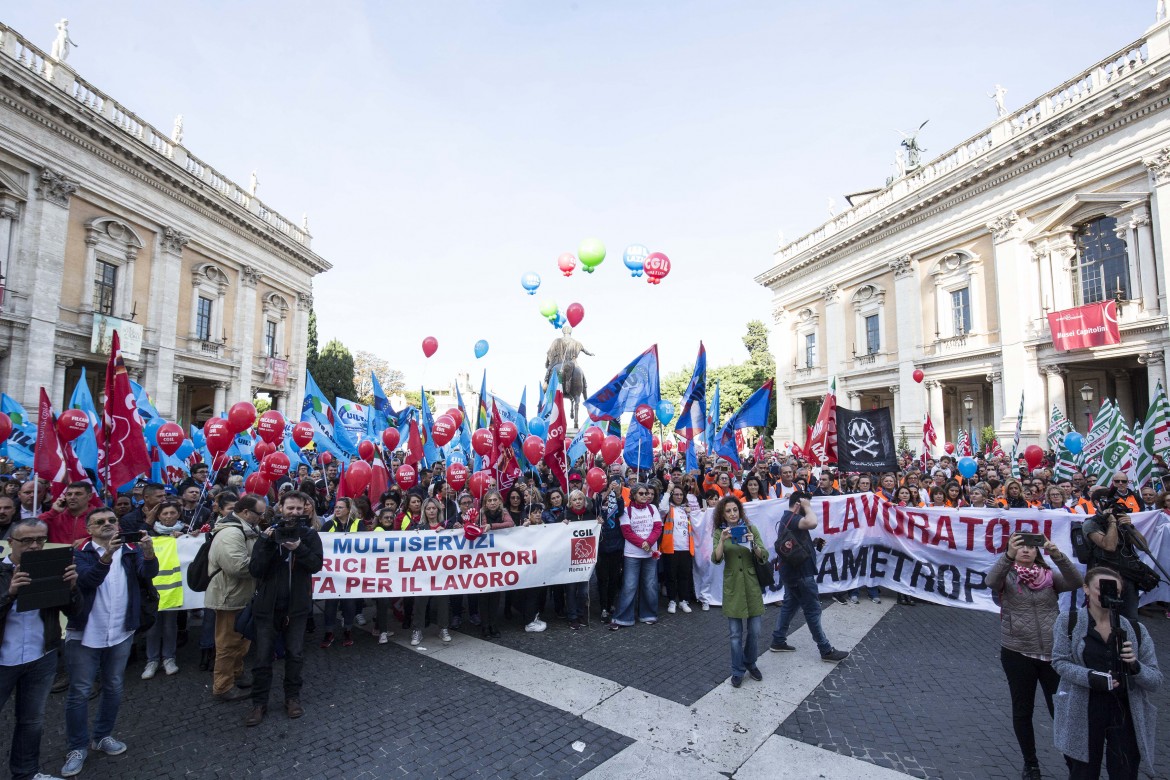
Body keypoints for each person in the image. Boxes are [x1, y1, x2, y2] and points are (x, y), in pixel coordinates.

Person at [61, 507, 157, 778]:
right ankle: (77, 746)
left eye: (112, 521)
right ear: (88, 529)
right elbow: (87, 581)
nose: (108, 525)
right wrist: (107, 555)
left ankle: (102, 735)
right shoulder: (79, 554)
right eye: (100, 522)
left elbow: (148, 573)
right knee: (79, 691)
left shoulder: (130, 550)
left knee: (113, 686)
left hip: (120, 632)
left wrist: (148, 551)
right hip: (85, 634)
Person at [986, 533, 1083, 780]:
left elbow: (1076, 581)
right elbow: (990, 580)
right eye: (1021, 547)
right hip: (1017, 652)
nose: (1026, 550)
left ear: (1038, 552)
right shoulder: (1007, 576)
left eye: (1031, 547)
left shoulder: (1050, 577)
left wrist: (1058, 556)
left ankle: (1072, 761)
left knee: (1059, 711)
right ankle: (1031, 763)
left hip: (1052, 654)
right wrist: (1007, 555)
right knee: (1022, 710)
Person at [1053, 568, 1162, 779]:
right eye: (1101, 588)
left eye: (1115, 591)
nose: (1108, 594)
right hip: (1083, 708)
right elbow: (1060, 661)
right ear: (1085, 588)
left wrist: (1136, 667)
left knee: (1125, 772)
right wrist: (1091, 677)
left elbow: (1156, 680)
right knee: (1083, 773)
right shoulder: (1068, 622)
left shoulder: (1136, 630)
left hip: (1124, 711)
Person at [0, 519, 80, 780]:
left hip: (40, 656)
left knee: (31, 721)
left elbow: (76, 614)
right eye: (26, 541)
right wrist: (10, 593)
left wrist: (71, 590)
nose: (35, 546)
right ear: (10, 542)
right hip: (3, 661)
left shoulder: (52, 568)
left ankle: (25, 773)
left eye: (40, 540)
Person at [245, 491, 323, 727]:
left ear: (305, 510)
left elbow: (316, 565)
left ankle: (292, 698)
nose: (295, 513)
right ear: (280, 507)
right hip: (268, 608)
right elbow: (256, 570)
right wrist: (269, 544)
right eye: (290, 508)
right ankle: (259, 703)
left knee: (295, 655)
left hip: (296, 607)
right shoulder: (267, 536)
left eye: (299, 509)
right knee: (262, 658)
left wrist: (298, 547)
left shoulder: (309, 536)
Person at [769, 494, 849, 662]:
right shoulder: (793, 517)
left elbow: (794, 542)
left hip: (793, 573)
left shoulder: (788, 518)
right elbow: (812, 522)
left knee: (790, 605)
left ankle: (778, 640)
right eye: (806, 502)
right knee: (812, 610)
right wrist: (807, 507)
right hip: (800, 574)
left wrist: (812, 544)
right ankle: (825, 649)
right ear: (799, 503)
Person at [206, 493, 264, 703]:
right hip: (229, 595)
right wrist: (265, 563)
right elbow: (237, 566)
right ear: (246, 512)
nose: (262, 517)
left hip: (242, 593)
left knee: (242, 639)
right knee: (228, 643)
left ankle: (236, 673)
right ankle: (222, 687)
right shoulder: (231, 533)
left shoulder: (247, 528)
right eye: (259, 513)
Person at [711, 495, 768, 688]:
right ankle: (737, 670)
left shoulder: (751, 529)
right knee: (735, 634)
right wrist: (722, 540)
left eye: (735, 510)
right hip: (733, 586)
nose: (732, 514)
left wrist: (753, 545)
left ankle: (750, 662)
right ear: (723, 514)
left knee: (755, 630)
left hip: (751, 585)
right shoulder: (720, 533)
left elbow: (764, 556)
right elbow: (716, 558)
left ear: (740, 511)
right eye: (728, 511)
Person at [1082, 500, 1149, 623]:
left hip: (1128, 576)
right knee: (1106, 617)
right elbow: (1109, 546)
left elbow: (1143, 547)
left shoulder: (1123, 524)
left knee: (1130, 619)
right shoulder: (1090, 523)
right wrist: (1112, 523)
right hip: (1105, 576)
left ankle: (1130, 640)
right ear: (1098, 504)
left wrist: (1131, 527)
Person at [609, 483, 663, 630]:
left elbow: (658, 527)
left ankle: (649, 614)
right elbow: (627, 531)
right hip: (632, 554)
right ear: (633, 495)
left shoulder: (653, 509)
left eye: (646, 493)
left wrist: (649, 542)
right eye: (641, 493)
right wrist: (642, 544)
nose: (645, 496)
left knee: (650, 584)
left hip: (650, 553)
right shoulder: (627, 511)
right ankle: (623, 617)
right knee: (629, 585)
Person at [563, 490, 598, 630]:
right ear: (570, 502)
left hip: (585, 561)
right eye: (574, 499)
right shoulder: (564, 516)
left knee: (583, 590)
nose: (577, 502)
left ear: (585, 501)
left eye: (580, 499)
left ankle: (580, 613)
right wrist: (561, 525)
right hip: (569, 559)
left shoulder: (590, 516)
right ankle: (572, 617)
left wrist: (599, 524)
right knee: (571, 590)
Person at [660, 484, 697, 615]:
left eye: (681, 494)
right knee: (671, 576)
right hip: (671, 548)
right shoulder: (668, 508)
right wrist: (668, 490)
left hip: (686, 548)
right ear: (672, 496)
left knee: (684, 576)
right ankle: (672, 600)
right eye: (676, 494)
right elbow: (661, 508)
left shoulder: (686, 510)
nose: (679, 497)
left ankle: (683, 600)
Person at [596, 477, 625, 622]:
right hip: (601, 547)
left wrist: (618, 495)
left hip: (616, 545)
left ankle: (610, 603)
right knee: (602, 579)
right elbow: (594, 509)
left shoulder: (617, 499)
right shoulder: (597, 499)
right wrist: (606, 493)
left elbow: (620, 511)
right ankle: (603, 607)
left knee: (614, 578)